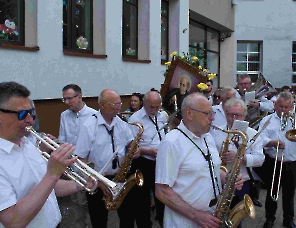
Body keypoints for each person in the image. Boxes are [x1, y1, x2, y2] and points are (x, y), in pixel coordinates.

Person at [0, 81, 90, 227]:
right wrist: (52, 173)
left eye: (31, 113)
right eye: (22, 114)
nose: (30, 120)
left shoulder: (27, 144)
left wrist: (81, 184)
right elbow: (13, 221)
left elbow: (47, 188)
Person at [155, 93, 244, 228]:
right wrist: (196, 216)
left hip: (212, 215)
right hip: (184, 222)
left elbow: (211, 168)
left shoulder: (207, 137)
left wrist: (228, 177)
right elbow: (161, 191)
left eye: (212, 113)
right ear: (189, 113)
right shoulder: (172, 142)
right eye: (207, 114)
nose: (213, 118)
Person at [75, 89, 140, 228]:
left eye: (120, 103)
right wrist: (99, 181)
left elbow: (130, 143)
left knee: (128, 218)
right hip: (97, 182)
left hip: (121, 178)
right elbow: (80, 159)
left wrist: (135, 150)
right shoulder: (88, 126)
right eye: (115, 104)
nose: (119, 107)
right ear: (103, 105)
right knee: (99, 221)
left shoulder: (121, 122)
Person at [258, 92, 296, 228]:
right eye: (280, 106)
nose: (283, 110)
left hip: (293, 162)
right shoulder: (267, 120)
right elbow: (260, 138)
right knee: (272, 192)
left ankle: (288, 219)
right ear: (275, 105)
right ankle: (269, 218)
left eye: (286, 107)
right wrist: (272, 142)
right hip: (274, 161)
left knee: (289, 193)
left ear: (291, 107)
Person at [210, 98, 264, 208]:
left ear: (244, 116)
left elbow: (260, 159)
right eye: (230, 115)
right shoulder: (216, 132)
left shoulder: (253, 134)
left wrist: (239, 157)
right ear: (225, 114)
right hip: (219, 182)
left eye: (238, 115)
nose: (234, 119)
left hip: (242, 183)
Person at [128, 90, 167, 227]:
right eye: (152, 107)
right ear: (144, 104)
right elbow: (132, 147)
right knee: (142, 202)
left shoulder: (162, 116)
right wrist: (148, 151)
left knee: (163, 199)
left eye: (158, 106)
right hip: (144, 162)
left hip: (161, 162)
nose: (155, 110)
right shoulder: (135, 119)